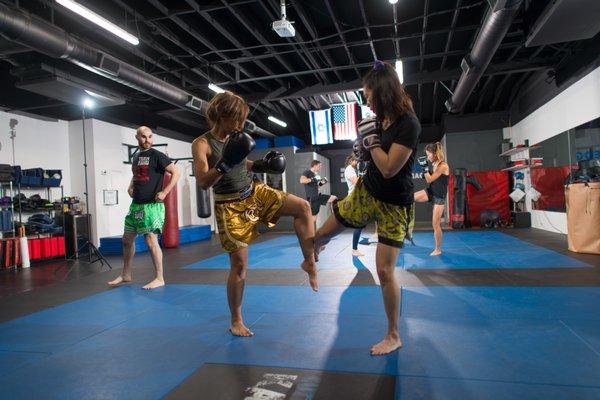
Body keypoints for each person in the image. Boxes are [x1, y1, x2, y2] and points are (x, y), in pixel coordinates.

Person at [314, 60, 421, 355]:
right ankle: (317, 249)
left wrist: (371, 141)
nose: (367, 100)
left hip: (394, 203)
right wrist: (363, 151)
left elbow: (388, 168)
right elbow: (372, 162)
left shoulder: (408, 124)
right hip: (367, 190)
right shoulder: (382, 118)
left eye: (369, 94)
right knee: (321, 234)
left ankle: (393, 334)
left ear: (383, 92)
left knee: (385, 272)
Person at [191, 91, 318, 337]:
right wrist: (224, 163)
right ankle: (236, 319)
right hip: (230, 206)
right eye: (237, 120)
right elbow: (204, 181)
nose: (240, 126)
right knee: (239, 267)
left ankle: (309, 262)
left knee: (303, 207)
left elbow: (241, 162)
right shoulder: (202, 144)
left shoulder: (236, 136)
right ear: (223, 115)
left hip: (255, 192)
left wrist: (260, 165)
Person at [108, 126, 180, 290]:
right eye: (143, 137)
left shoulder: (157, 155)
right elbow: (137, 175)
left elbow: (176, 172)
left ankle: (160, 278)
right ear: (137, 137)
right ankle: (126, 275)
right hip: (136, 206)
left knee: (150, 240)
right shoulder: (136, 156)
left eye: (150, 137)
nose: (147, 140)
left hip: (152, 206)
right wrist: (130, 186)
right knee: (126, 240)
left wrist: (165, 191)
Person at [414, 142, 450, 256]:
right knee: (410, 197)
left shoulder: (443, 166)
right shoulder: (434, 164)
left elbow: (429, 179)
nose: (428, 156)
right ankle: (405, 226)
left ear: (435, 153)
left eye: (429, 154)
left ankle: (438, 249)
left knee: (435, 224)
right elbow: (430, 179)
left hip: (439, 196)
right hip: (431, 191)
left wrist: (424, 167)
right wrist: (425, 170)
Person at [300, 160, 337, 225]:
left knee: (314, 218)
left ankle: (310, 232)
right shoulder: (307, 172)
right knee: (313, 218)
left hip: (317, 197)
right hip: (313, 197)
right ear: (314, 166)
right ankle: (335, 217)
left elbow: (316, 187)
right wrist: (312, 179)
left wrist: (322, 183)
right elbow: (302, 181)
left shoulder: (316, 175)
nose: (320, 167)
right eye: (319, 166)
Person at [343, 155, 364, 256]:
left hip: (357, 198)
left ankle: (354, 249)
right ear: (351, 160)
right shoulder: (349, 169)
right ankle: (354, 250)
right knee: (358, 224)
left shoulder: (352, 169)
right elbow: (357, 183)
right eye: (356, 161)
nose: (357, 163)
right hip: (354, 199)